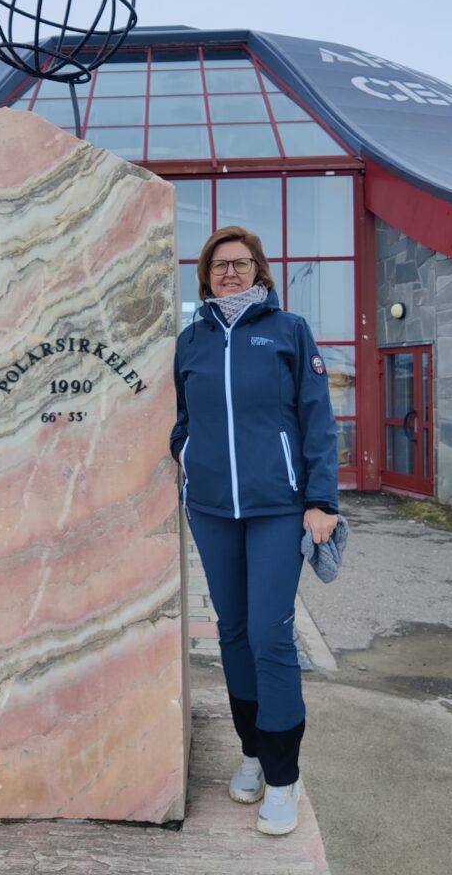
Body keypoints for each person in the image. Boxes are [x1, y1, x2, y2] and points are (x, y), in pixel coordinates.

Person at [170, 225, 338, 836]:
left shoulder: (288, 330)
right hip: (212, 508)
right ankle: (252, 754)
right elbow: (182, 417)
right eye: (219, 265)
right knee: (233, 633)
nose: (230, 273)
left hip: (277, 507)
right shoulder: (191, 340)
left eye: (240, 263)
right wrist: (186, 453)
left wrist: (321, 500)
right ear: (206, 277)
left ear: (259, 270)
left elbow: (317, 416)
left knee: (270, 635)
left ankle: (284, 777)